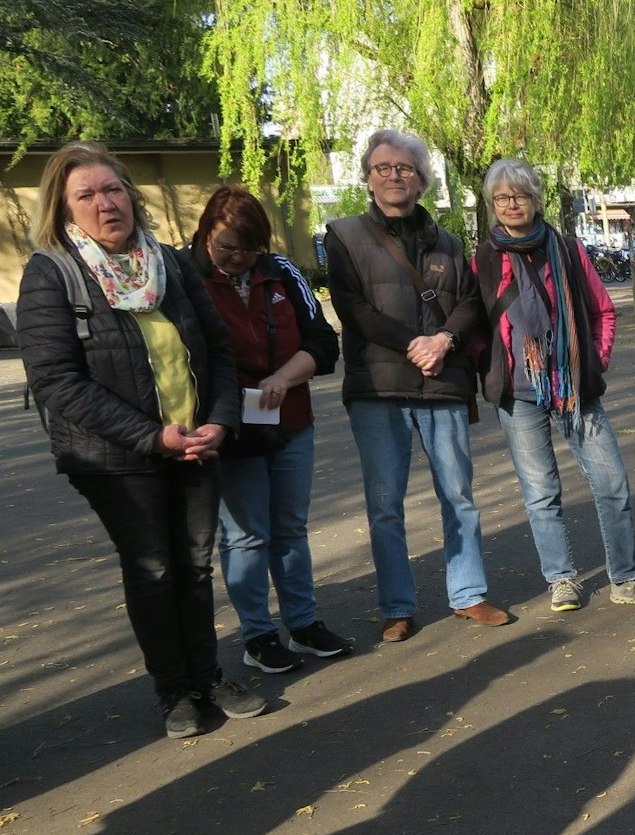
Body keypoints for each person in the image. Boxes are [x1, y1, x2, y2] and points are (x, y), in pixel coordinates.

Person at [18, 142, 267, 739]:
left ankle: (207, 676)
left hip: (195, 443)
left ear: (131, 194)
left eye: (113, 189)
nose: (105, 204)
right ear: (64, 208)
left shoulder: (171, 264)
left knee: (195, 567)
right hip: (116, 458)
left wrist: (221, 423)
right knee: (154, 568)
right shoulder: (52, 273)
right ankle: (175, 691)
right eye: (87, 195)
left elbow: (219, 350)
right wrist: (153, 437)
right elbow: (56, 382)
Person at [324, 128, 505, 642]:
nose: (394, 175)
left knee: (459, 496)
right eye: (383, 167)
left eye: (405, 168)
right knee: (385, 504)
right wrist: (415, 344)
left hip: (441, 385)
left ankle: (469, 595)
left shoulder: (447, 241)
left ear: (422, 179)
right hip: (379, 389)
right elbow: (353, 308)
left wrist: (444, 339)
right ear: (367, 177)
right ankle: (396, 606)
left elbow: (471, 302)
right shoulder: (344, 235)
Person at [473, 158, 635, 615]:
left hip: (575, 388)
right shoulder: (484, 258)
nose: (512, 204)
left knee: (611, 483)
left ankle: (626, 578)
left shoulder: (567, 249)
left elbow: (604, 311)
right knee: (541, 492)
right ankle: (561, 579)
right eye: (502, 198)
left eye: (520, 195)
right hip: (518, 394)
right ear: (492, 204)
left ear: (535, 199)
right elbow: (475, 325)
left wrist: (593, 362)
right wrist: (490, 372)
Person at [191, 184, 352, 674]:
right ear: (206, 234)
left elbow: (323, 343)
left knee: (289, 528)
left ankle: (303, 624)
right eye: (227, 248)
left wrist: (283, 377)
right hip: (229, 426)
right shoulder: (184, 275)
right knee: (245, 535)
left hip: (289, 419)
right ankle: (258, 634)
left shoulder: (280, 272)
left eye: (249, 248)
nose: (238, 259)